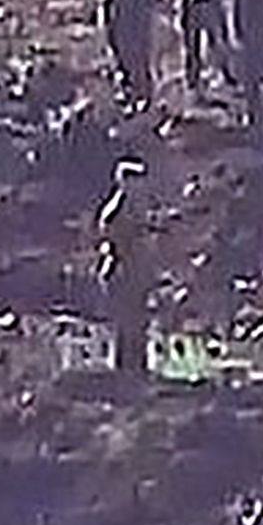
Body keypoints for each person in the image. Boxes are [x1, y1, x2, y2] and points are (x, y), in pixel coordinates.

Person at [96, 157, 155, 375]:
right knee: (128, 323)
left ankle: (137, 367)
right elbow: (114, 237)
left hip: (135, 270)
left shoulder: (135, 206)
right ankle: (126, 369)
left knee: (138, 322)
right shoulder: (117, 209)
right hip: (122, 270)